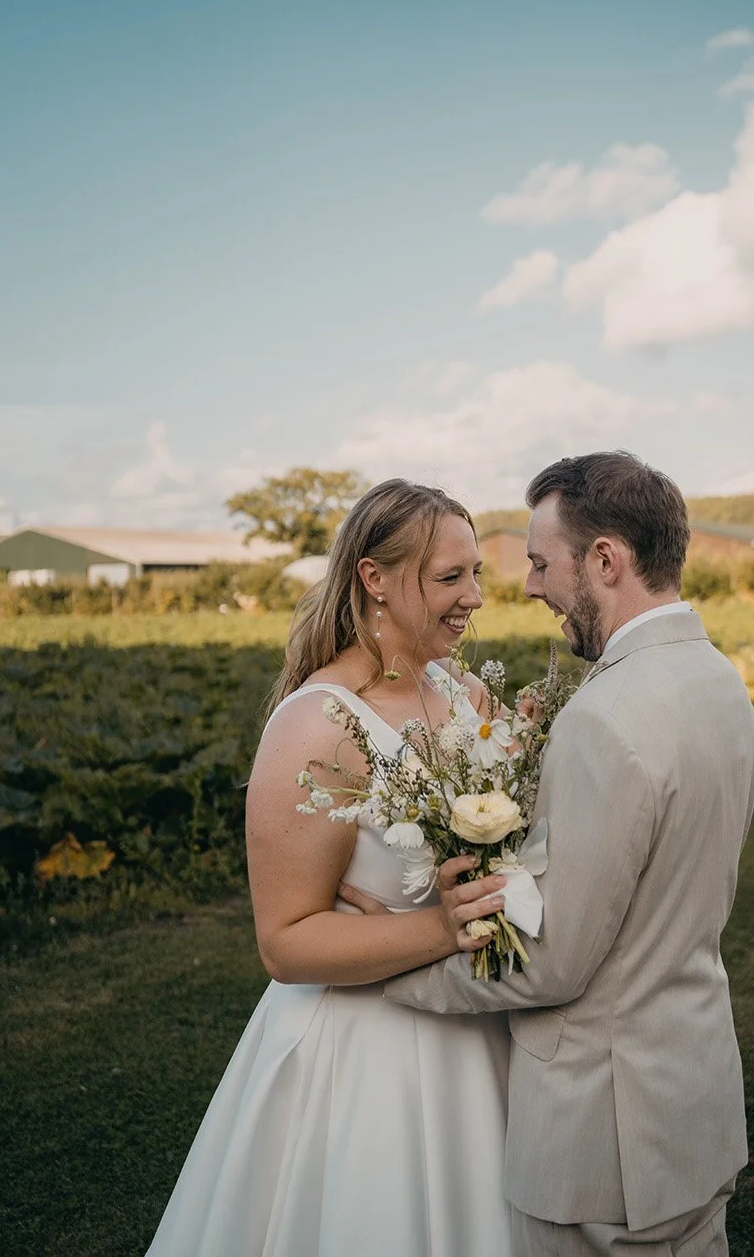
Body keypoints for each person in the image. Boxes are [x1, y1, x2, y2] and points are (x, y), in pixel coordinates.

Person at [383, 452, 754, 1257]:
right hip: (693, 1102)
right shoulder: (719, 681)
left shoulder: (603, 718)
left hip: (607, 1145)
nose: (526, 587)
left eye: (539, 562)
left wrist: (396, 971)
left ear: (605, 560)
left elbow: (551, 965)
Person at [145, 480, 512, 1257]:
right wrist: (440, 927)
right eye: (450, 578)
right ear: (374, 578)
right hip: (363, 1061)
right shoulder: (319, 723)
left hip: (478, 1034)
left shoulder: (465, 691)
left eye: (476, 573)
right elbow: (285, 944)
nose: (474, 597)